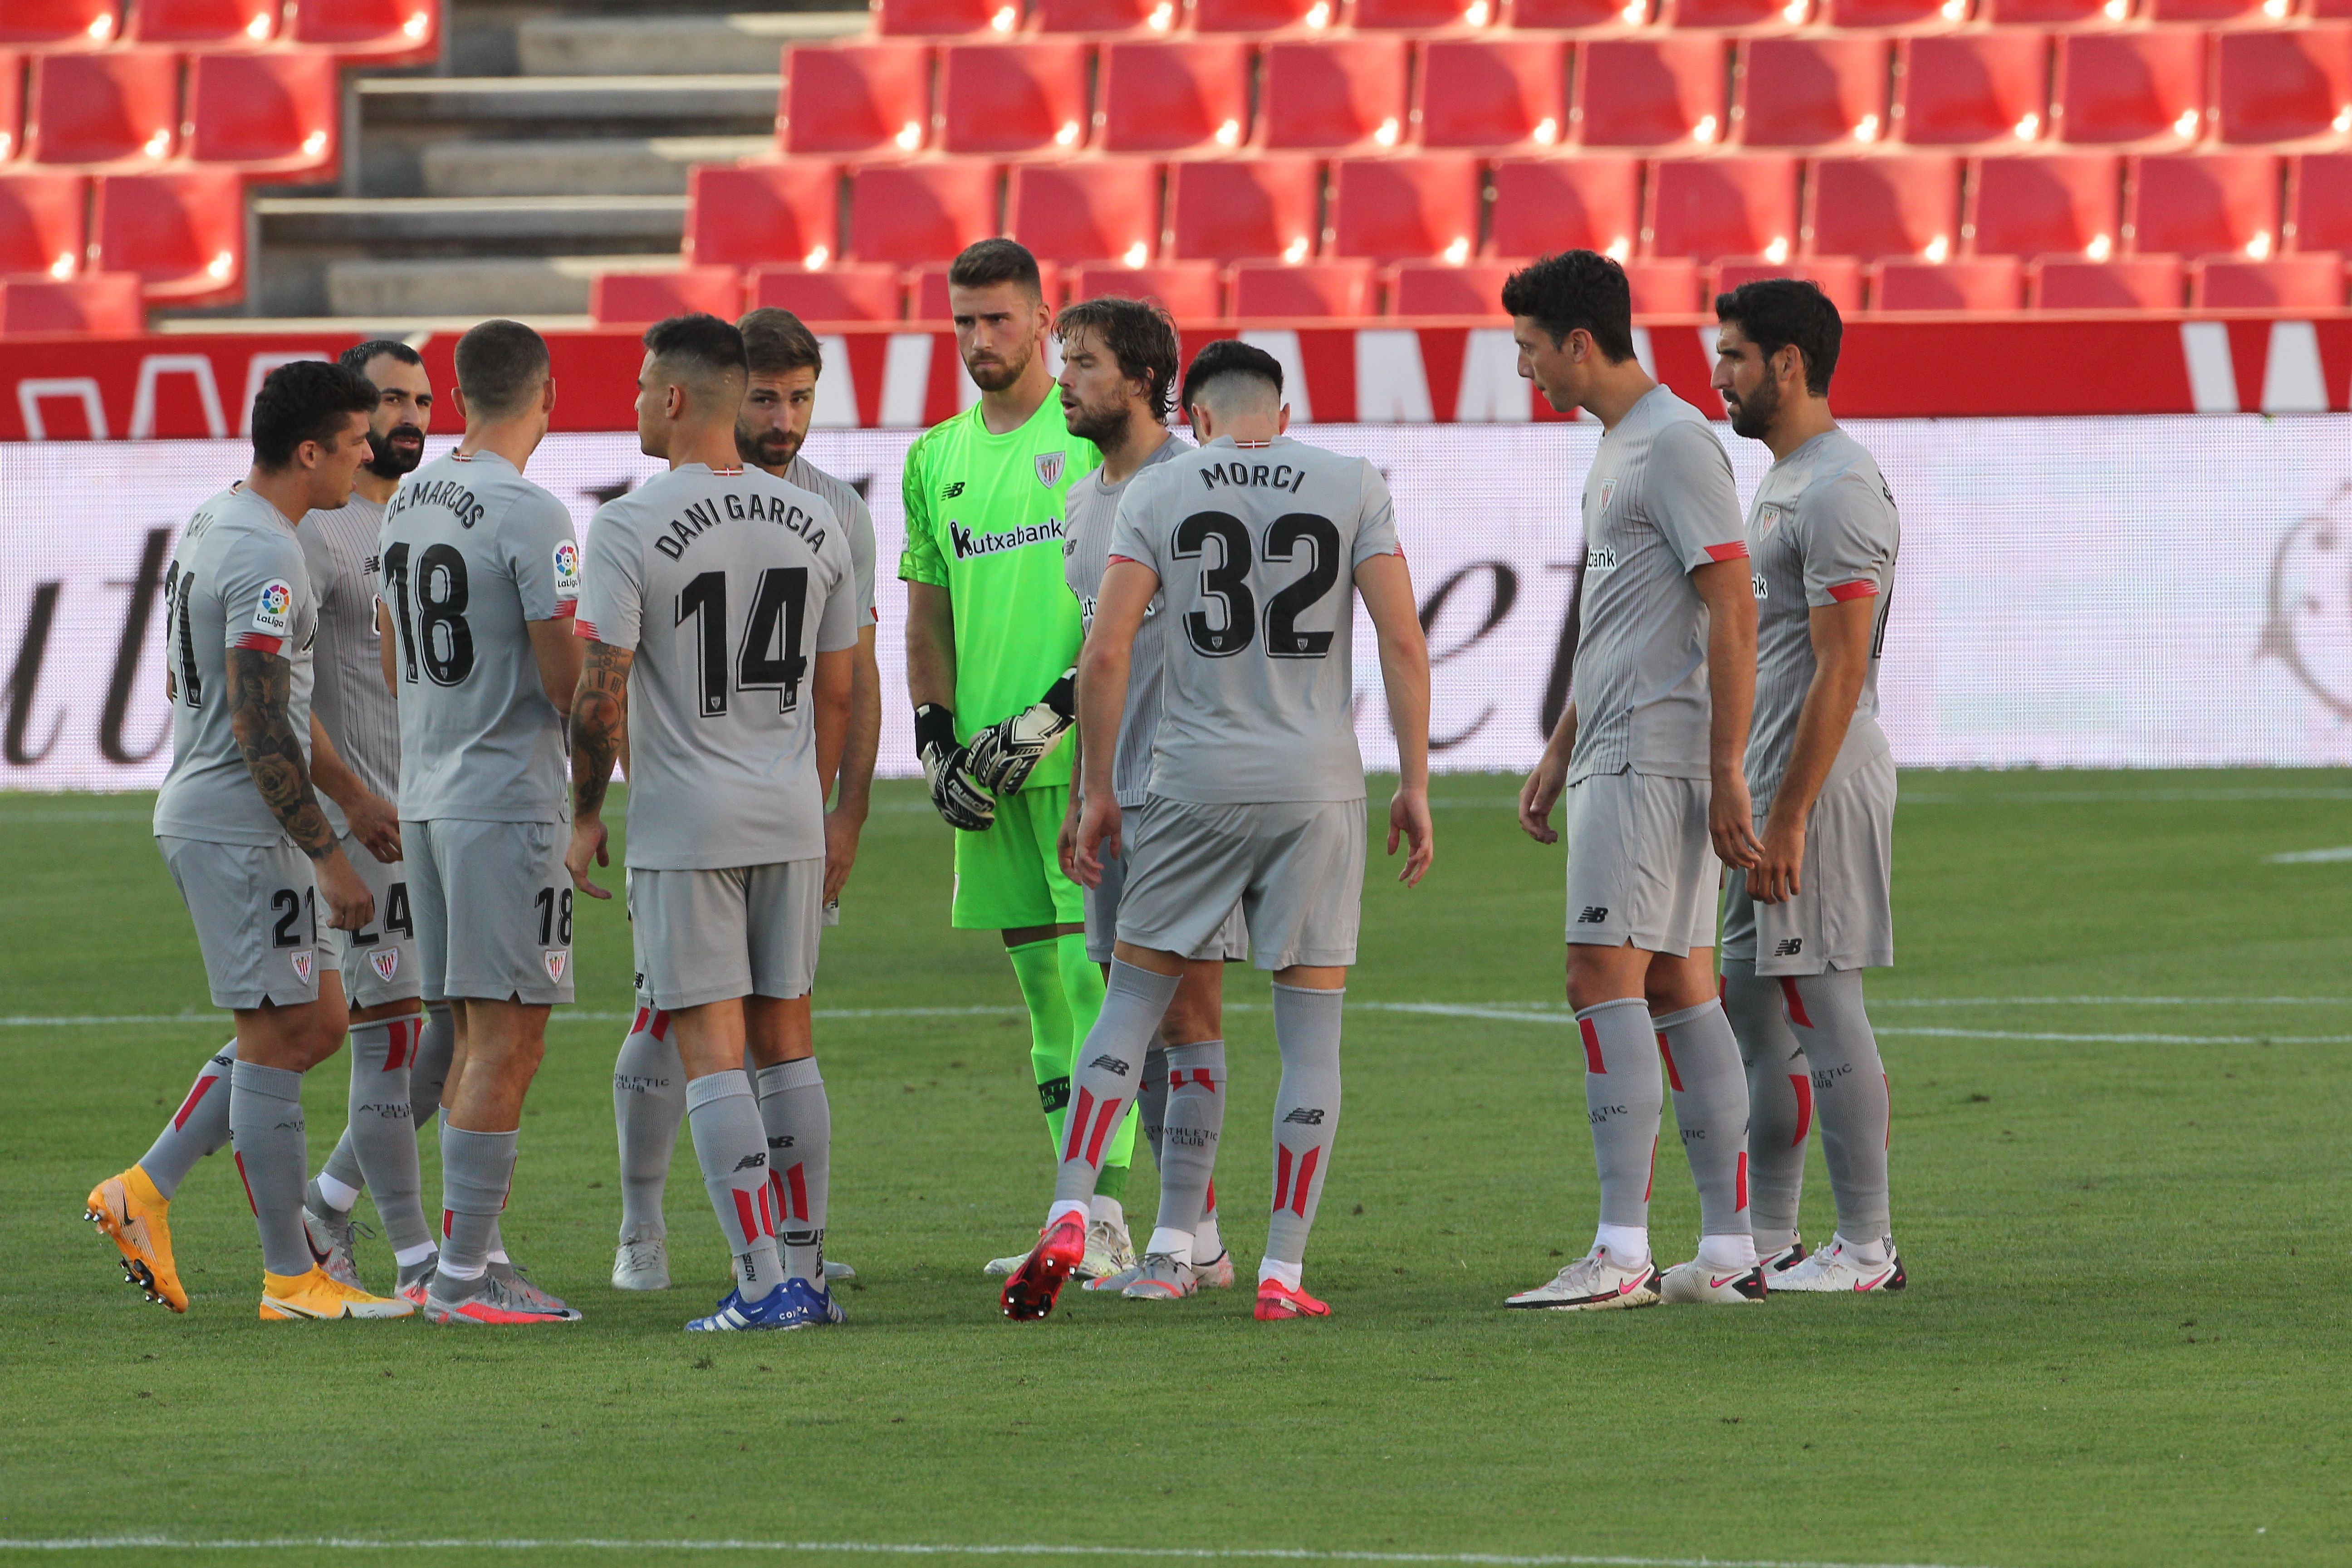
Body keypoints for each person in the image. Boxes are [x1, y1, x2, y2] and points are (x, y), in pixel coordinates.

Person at [1002, 338, 1434, 1323]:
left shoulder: (1159, 493)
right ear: (1279, 415)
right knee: (1310, 1034)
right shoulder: (1351, 481)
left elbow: (1107, 652)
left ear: (1193, 416)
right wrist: (1414, 781)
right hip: (1317, 788)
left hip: (1192, 781)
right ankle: (1281, 1270)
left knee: (1131, 1005)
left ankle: (1073, 1207)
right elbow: (1402, 640)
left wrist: (1099, 790)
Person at [84, 358, 411, 1321]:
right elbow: (258, 726)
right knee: (275, 1041)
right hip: (240, 825)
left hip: (240, 815)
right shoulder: (270, 556)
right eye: (356, 442)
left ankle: (142, 1192)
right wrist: (330, 854)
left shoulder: (225, 518)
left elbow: (275, 700)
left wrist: (350, 793)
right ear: (309, 451)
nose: (367, 456)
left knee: (318, 1022)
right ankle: (288, 1279)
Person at [569, 313, 860, 1330]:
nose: (638, 402)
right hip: (789, 814)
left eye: (647, 385)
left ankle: (757, 1279)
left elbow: (600, 695)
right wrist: (809, 803)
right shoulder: (818, 520)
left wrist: (582, 815)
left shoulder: (628, 525)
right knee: (789, 1045)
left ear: (681, 398)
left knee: (708, 1050)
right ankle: (811, 1275)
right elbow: (838, 695)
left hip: (688, 826)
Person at [1503, 251, 1767, 1312]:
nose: (1523, 367)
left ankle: (1620, 1253)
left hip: (1653, 757)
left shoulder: (1671, 445)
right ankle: (1729, 1247)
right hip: (1614, 745)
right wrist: (1561, 743)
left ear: (1578, 341)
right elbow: (1623, 625)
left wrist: (1726, 769)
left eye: (1529, 345)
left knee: (1597, 979)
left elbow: (1734, 606)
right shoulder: (1620, 446)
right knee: (1673, 987)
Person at [897, 238, 1142, 1279]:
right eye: (963, 322)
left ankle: (1114, 1212)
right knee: (1045, 996)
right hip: (988, 779)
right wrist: (936, 736)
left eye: (1000, 319)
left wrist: (1051, 719)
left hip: (1086, 764)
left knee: (1104, 990)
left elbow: (1126, 601)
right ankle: (1075, 1209)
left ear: (1046, 322)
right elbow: (927, 614)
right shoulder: (934, 457)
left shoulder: (1085, 436)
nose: (979, 341)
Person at [378, 318, 584, 1327]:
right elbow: (564, 681)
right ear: (548, 389)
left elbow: (389, 647)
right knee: (511, 1039)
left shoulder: (411, 495)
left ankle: (466, 1262)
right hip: (507, 802)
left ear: (457, 396)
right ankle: (462, 1281)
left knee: (467, 1031)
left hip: (428, 789)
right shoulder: (534, 512)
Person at [1708, 279, 1905, 1293]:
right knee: (1753, 1004)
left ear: (1788, 362)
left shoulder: (1838, 486)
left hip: (1816, 789)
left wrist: (1788, 812)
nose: (1719, 374)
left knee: (1822, 1001)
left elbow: (1843, 662)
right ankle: (1775, 1240)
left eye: (1734, 355)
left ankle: (1867, 1248)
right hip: (1772, 787)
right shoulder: (1785, 478)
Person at [1051, 296, 1246, 1297]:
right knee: (1145, 1012)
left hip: (1188, 792)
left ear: (1139, 377)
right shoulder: (1085, 500)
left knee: (1180, 1010)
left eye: (1081, 361)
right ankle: (1197, 1229)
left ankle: (1185, 1238)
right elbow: (1096, 656)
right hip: (1115, 795)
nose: (1062, 379)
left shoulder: (1197, 484)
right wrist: (1087, 784)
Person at [287, 340, 445, 1304]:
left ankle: (327, 1202)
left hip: (435, 810)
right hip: (365, 821)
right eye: (391, 399)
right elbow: (271, 687)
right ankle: (421, 1262)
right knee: (387, 1034)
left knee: (456, 1035)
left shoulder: (429, 516)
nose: (410, 416)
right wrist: (346, 802)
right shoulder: (314, 530)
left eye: (424, 399)